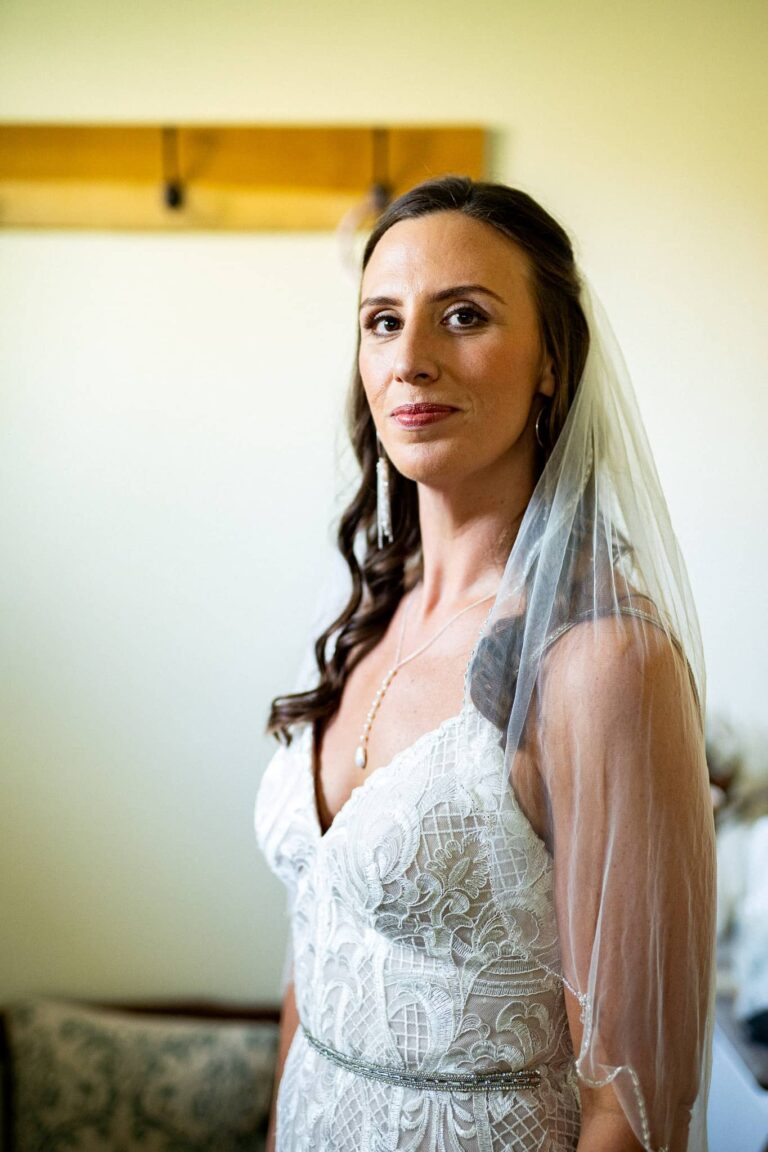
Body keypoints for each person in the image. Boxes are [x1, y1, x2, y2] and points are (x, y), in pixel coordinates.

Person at [255, 177, 716, 1152]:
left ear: (552, 361)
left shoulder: (602, 664)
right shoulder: (367, 618)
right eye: (383, 322)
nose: (410, 360)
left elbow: (632, 1112)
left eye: (463, 316)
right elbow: (315, 955)